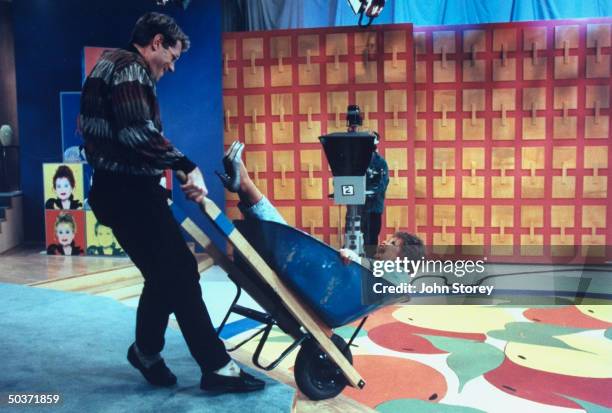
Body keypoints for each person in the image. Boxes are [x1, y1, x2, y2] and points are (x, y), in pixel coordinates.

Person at [80, 13, 264, 393]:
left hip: (118, 190)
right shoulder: (131, 69)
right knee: (180, 271)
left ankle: (146, 351)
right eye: (173, 56)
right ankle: (215, 367)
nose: (174, 67)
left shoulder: (109, 63)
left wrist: (169, 173)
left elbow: (113, 133)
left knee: (166, 274)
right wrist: (185, 165)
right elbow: (136, 132)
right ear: (157, 42)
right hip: (128, 193)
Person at [219, 141, 424, 278]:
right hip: (317, 274)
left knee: (283, 234)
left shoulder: (391, 277)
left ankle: (244, 185)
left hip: (313, 277)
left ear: (402, 258)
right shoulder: (378, 272)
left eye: (393, 243)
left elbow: (390, 276)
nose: (384, 242)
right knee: (281, 233)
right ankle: (243, 187)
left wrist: (351, 259)